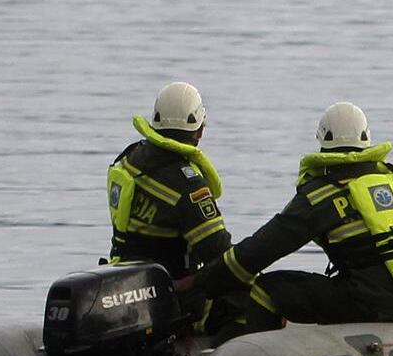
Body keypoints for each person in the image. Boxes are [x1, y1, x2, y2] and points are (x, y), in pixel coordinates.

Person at [181, 102, 393, 325]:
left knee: (267, 289)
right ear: (366, 140)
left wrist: (201, 283)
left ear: (322, 140)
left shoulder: (320, 196)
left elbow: (258, 252)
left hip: (368, 304)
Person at [106, 81, 276, 338]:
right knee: (253, 304)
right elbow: (219, 252)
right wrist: (262, 280)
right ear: (199, 129)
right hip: (171, 295)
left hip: (125, 283)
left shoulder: (130, 159)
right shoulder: (187, 186)